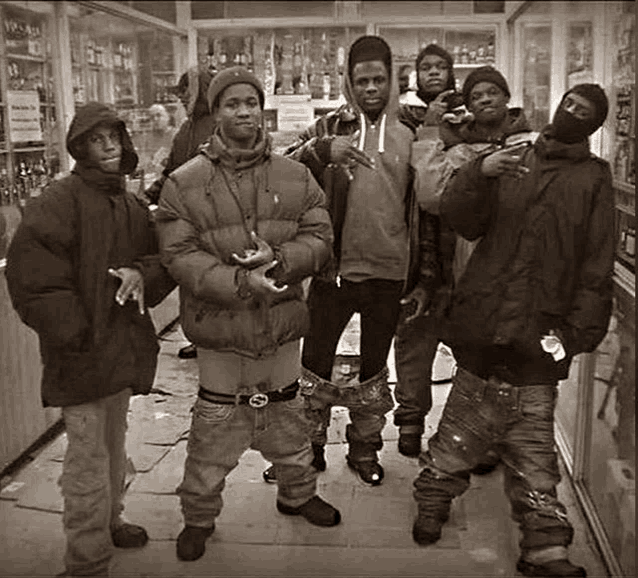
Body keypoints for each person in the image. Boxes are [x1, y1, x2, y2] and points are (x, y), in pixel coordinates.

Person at [411, 84, 614, 578]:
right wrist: (480, 173)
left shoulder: (593, 178)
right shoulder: (513, 155)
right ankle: (432, 505)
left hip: (541, 333)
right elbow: (463, 219)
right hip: (484, 321)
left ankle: (545, 549)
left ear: (594, 126)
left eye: (583, 113)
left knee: (534, 447)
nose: (571, 114)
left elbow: (596, 261)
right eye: (569, 104)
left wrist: (575, 334)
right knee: (457, 430)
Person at [155, 66, 340, 564]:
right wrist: (239, 282)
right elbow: (179, 256)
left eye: (251, 102)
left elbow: (320, 237)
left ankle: (297, 493)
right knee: (213, 430)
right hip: (220, 332)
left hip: (281, 327)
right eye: (232, 103)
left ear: (263, 109)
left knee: (289, 419)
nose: (244, 112)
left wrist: (280, 261)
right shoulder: (183, 182)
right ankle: (198, 517)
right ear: (215, 113)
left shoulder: (295, 175)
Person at [5, 102, 176, 577]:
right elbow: (33, 278)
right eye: (97, 138)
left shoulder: (130, 203)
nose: (108, 146)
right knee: (86, 459)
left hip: (119, 351)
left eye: (114, 137)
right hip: (80, 356)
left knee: (115, 445)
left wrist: (140, 273)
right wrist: (75, 333)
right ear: (79, 146)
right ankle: (87, 559)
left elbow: (160, 258)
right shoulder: (57, 202)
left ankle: (110, 520)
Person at [264, 35, 434, 487]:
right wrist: (322, 152)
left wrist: (424, 278)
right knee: (312, 368)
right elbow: (279, 168)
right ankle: (307, 450)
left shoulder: (413, 131)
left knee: (374, 373)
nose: (371, 88)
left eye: (379, 79)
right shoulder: (327, 128)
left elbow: (430, 214)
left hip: (390, 276)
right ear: (348, 83)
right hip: (332, 272)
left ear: (392, 80)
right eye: (362, 80)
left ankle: (364, 449)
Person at [393, 43, 459, 459]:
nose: (433, 73)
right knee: (414, 341)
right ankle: (411, 422)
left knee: (469, 349)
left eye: (440, 67)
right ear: (416, 76)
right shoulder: (403, 120)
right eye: (425, 67)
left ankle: (462, 431)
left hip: (461, 251)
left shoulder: (470, 117)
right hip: (417, 244)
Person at [144, 66, 217, 361]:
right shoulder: (186, 129)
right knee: (192, 286)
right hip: (187, 223)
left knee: (211, 286)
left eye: (186, 91)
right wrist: (147, 197)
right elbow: (172, 172)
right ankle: (200, 339)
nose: (183, 98)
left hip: (212, 222)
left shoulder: (217, 124)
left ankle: (213, 341)